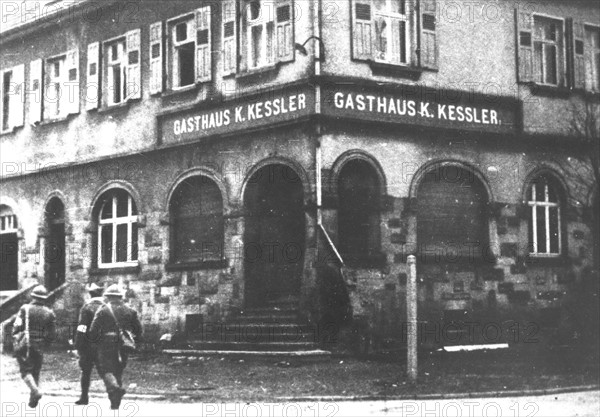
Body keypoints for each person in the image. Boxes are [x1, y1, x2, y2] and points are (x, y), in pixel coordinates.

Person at [89, 284, 142, 410]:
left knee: (106, 370)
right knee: (118, 371)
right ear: (120, 297)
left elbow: (93, 330)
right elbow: (139, 330)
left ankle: (116, 390)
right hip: (123, 344)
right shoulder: (130, 311)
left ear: (108, 296)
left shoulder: (103, 310)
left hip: (106, 344)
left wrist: (94, 343)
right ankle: (115, 403)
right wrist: (134, 340)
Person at [11, 285, 56, 408]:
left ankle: (36, 392)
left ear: (33, 297)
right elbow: (52, 334)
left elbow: (17, 326)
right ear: (44, 298)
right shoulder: (49, 312)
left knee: (26, 371)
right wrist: (45, 344)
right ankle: (33, 401)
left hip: (27, 344)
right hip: (40, 344)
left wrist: (16, 339)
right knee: (36, 371)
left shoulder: (25, 309)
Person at [73, 282, 104, 405]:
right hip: (104, 345)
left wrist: (77, 345)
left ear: (90, 294)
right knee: (105, 370)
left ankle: (84, 397)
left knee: (85, 372)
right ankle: (114, 391)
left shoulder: (87, 308)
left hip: (88, 346)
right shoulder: (106, 307)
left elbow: (82, 327)